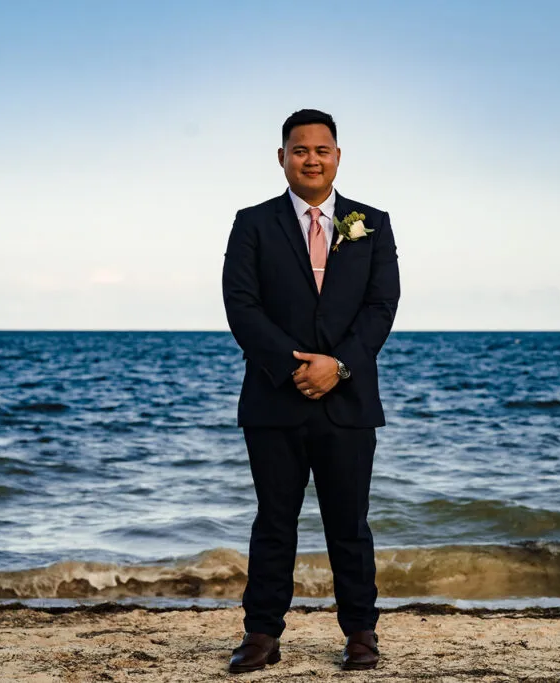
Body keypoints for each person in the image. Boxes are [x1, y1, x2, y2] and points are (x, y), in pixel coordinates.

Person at [221, 108, 400, 673]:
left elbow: (381, 306)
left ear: (338, 157)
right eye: (300, 150)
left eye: (322, 150)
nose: (311, 159)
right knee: (273, 522)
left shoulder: (372, 222)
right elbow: (240, 305)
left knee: (349, 524)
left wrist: (338, 366)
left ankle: (361, 635)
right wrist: (293, 366)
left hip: (348, 401)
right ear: (282, 158)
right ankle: (261, 635)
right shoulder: (252, 223)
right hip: (274, 399)